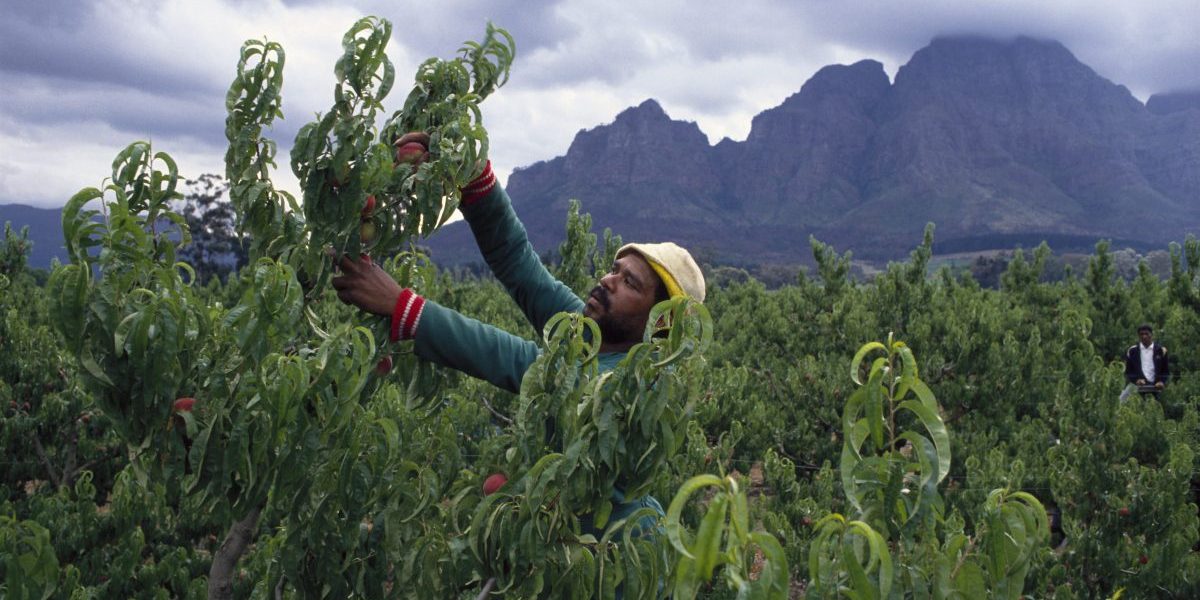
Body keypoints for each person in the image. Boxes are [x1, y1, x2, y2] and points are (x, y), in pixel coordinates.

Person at [331, 132, 706, 534]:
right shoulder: (588, 329)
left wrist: (402, 307)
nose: (607, 280)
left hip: (608, 562)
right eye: (614, 269)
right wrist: (474, 178)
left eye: (629, 283)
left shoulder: (634, 386)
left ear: (660, 322)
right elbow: (519, 263)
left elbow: (518, 361)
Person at [1124, 324, 1168, 391]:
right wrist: (1136, 380)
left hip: (1156, 387)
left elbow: (1165, 370)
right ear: (1138, 336)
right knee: (1123, 399)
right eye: (1141, 334)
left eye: (1146, 334)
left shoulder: (1161, 350)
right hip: (1138, 387)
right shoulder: (1132, 351)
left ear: (1151, 334)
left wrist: (1161, 381)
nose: (1144, 336)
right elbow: (1129, 371)